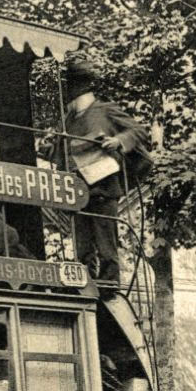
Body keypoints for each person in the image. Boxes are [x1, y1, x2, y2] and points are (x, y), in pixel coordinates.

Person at [57, 59, 152, 286]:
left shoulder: (105, 110)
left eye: (70, 86)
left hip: (103, 187)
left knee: (105, 240)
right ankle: (86, 281)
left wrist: (118, 141)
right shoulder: (68, 120)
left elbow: (138, 131)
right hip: (79, 190)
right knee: (82, 243)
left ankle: (109, 282)